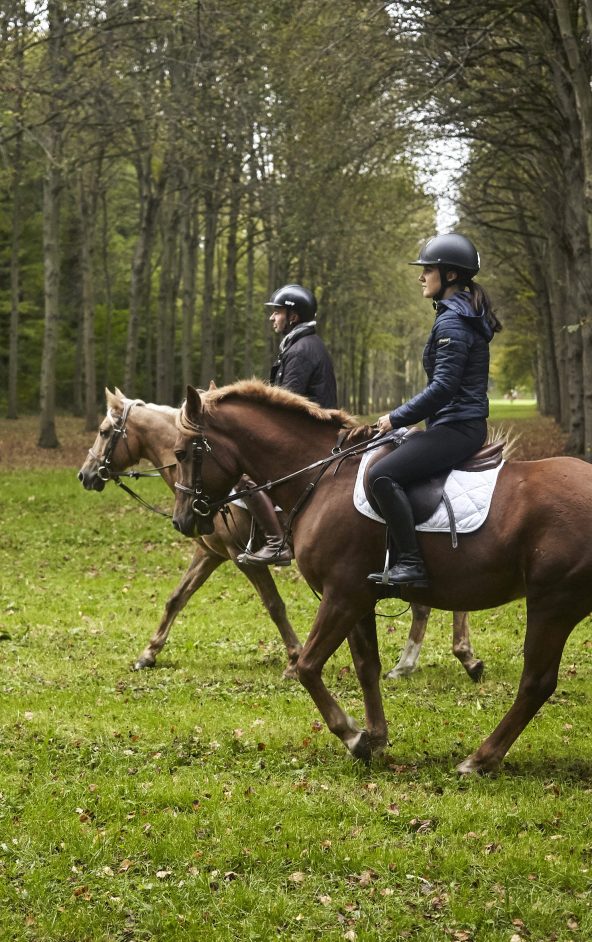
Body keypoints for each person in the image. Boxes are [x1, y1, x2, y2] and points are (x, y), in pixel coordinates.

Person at [367, 233, 502, 588]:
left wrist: (395, 417)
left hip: (458, 427)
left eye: (428, 270)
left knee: (382, 475)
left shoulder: (452, 321)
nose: (421, 276)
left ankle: (411, 564)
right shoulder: (459, 314)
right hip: (459, 423)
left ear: (451, 276)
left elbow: (443, 388)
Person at [237, 283, 337, 567]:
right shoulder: (300, 345)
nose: (272, 318)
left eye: (277, 312)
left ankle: (275, 541)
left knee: (247, 477)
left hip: (308, 437)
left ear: (293, 316)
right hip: (307, 432)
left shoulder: (302, 350)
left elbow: (285, 405)